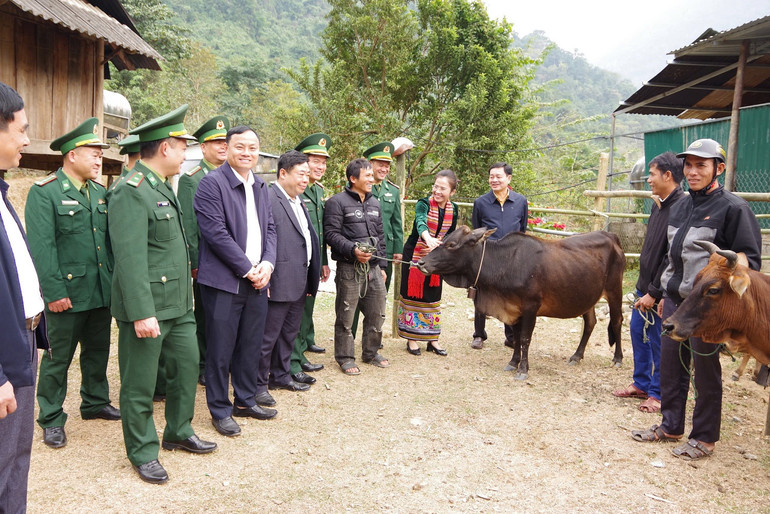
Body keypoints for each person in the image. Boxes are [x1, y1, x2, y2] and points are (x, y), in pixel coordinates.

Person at [631, 139, 762, 461]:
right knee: (672, 366)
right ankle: (671, 425)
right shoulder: (681, 205)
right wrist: (661, 293)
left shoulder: (734, 209)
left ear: (719, 168)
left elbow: (750, 262)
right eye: (688, 165)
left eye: (701, 165)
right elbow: (671, 257)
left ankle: (704, 438)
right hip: (676, 302)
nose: (692, 171)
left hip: (708, 309)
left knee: (705, 372)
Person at [109, 104, 217, 484]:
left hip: (179, 306)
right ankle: (142, 450)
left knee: (186, 370)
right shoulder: (131, 190)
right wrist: (140, 311)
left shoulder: (161, 185)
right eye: (182, 145)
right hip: (148, 308)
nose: (186, 151)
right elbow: (129, 259)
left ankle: (178, 430)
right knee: (139, 384)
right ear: (166, 147)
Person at [25, 118, 120, 450]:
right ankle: (51, 417)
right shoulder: (45, 192)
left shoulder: (100, 193)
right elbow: (42, 247)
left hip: (99, 291)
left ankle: (94, 402)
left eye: (99, 154)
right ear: (71, 155)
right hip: (65, 293)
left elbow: (107, 244)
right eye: (93, 153)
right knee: (57, 358)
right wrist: (53, 292)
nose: (98, 160)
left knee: (97, 352)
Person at [194, 126, 278, 437]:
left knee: (250, 345)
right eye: (240, 147)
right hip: (224, 282)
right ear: (227, 149)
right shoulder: (211, 184)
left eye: (253, 148)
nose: (247, 153)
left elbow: (270, 229)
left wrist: (267, 264)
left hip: (257, 280)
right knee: (220, 348)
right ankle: (219, 408)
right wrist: (248, 268)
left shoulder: (260, 185)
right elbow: (215, 234)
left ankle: (245, 399)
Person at [0, 81, 48, 512]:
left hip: (22, 345)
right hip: (3, 364)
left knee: (17, 459)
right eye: (21, 129)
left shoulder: (2, 194)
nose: (28, 140)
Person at [613, 152, 684, 413]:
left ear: (668, 175)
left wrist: (655, 292)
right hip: (645, 287)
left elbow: (672, 257)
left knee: (658, 341)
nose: (648, 180)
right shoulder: (659, 204)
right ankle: (641, 383)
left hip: (661, 292)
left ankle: (658, 393)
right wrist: (643, 288)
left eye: (652, 175)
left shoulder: (681, 208)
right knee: (638, 335)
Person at [256, 150, 321, 406]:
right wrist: (267, 277)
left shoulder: (298, 200)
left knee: (288, 334)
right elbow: (263, 240)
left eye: (307, 174)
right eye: (300, 174)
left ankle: (280, 375)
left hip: (299, 279)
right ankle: (258, 384)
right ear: (283, 173)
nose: (305, 179)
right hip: (278, 279)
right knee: (267, 338)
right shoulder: (269, 198)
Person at [177, 115, 230, 386]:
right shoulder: (192, 179)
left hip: (230, 261)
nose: (222, 146)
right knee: (205, 314)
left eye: (225, 141)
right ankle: (202, 364)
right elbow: (189, 223)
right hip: (207, 260)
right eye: (216, 142)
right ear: (203, 147)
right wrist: (194, 261)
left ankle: (221, 360)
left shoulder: (232, 175)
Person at [324, 158, 389, 375]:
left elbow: (380, 236)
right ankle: (345, 357)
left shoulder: (375, 203)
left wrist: (382, 265)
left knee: (377, 313)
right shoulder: (337, 202)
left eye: (372, 175)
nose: (372, 179)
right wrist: (353, 250)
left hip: (374, 270)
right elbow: (330, 235)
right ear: (353, 179)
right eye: (367, 175)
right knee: (346, 315)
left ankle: (371, 352)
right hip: (349, 269)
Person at [398, 170, 458, 356]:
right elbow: (420, 222)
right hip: (415, 252)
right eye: (435, 186)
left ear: (452, 192)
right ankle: (412, 339)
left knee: (433, 295)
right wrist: (428, 239)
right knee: (413, 294)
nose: (437, 191)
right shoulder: (423, 203)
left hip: (437, 255)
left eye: (442, 188)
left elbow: (450, 233)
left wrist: (438, 246)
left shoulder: (453, 209)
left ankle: (433, 339)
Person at [470, 162, 528, 349]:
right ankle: (479, 335)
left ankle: (511, 336)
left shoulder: (520, 201)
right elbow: (477, 230)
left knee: (510, 296)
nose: (494, 180)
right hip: (488, 256)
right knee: (482, 293)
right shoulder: (481, 202)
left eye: (498, 176)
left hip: (512, 257)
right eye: (491, 177)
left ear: (508, 178)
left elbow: (523, 229)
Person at [351, 142, 403, 338]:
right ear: (369, 164)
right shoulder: (360, 185)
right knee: (355, 296)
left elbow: (397, 222)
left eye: (387, 165)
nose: (384, 168)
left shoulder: (393, 191)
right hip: (360, 249)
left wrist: (398, 248)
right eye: (379, 164)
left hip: (385, 251)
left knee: (379, 296)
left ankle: (373, 337)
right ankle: (351, 334)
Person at [290, 133, 331, 378]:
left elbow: (320, 232)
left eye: (323, 162)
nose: (320, 167)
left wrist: (324, 261)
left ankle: (305, 341)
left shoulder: (317, 191)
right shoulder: (295, 189)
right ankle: (296, 353)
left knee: (308, 304)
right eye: (315, 161)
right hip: (297, 260)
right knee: (296, 308)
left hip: (313, 259)